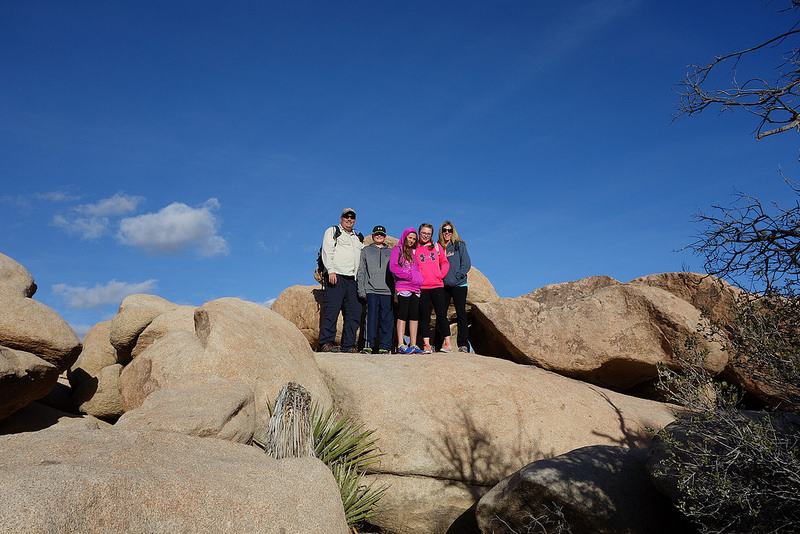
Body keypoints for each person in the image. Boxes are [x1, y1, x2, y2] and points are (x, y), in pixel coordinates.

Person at [318, 207, 364, 353]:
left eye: (352, 217)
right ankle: (326, 342)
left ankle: (348, 345)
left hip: (353, 279)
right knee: (332, 310)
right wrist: (330, 270)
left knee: (354, 312)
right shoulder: (332, 231)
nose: (349, 219)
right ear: (341, 218)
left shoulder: (357, 237)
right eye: (346, 217)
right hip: (336, 276)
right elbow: (327, 250)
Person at [357, 225, 394, 354]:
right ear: (373, 236)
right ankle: (368, 345)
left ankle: (385, 346)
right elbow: (361, 271)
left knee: (387, 320)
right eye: (377, 234)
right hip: (371, 290)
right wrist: (361, 290)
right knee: (371, 318)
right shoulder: (366, 250)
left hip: (387, 291)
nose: (379, 236)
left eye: (382, 234)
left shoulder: (391, 252)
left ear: (385, 237)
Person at [415, 223, 451, 353]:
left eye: (428, 234)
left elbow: (445, 262)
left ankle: (448, 343)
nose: (425, 236)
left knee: (441, 315)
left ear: (432, 235)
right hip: (422, 287)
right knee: (424, 316)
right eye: (423, 233)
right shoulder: (415, 248)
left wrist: (440, 275)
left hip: (437, 285)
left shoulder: (436, 247)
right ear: (419, 233)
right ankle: (427, 345)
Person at [389, 227, 424, 354]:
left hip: (415, 287)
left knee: (414, 315)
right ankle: (400, 345)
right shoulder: (397, 250)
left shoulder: (414, 252)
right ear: (405, 237)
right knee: (403, 313)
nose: (412, 240)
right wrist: (408, 276)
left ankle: (413, 344)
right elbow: (393, 267)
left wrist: (418, 279)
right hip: (403, 285)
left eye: (414, 239)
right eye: (410, 237)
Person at [438, 221, 471, 353]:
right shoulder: (437, 247)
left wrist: (457, 277)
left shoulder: (459, 246)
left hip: (459, 285)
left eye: (449, 230)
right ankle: (437, 343)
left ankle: (463, 344)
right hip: (443, 286)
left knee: (461, 314)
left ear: (453, 232)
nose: (447, 233)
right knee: (441, 314)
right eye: (444, 230)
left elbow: (466, 264)